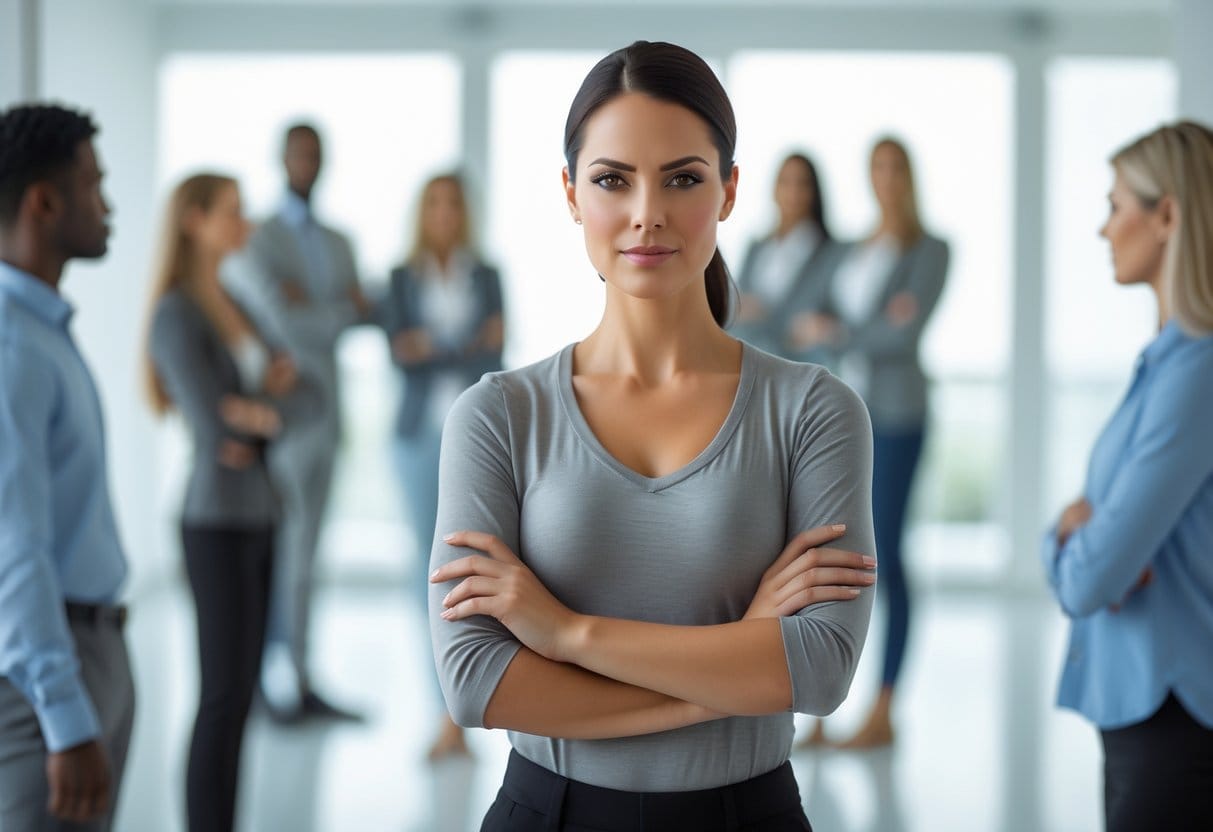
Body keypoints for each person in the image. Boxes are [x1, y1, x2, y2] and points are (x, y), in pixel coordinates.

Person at [428, 41, 877, 832]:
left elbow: (818, 670)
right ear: (570, 194)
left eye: (682, 178)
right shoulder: (497, 415)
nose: (647, 213)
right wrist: (738, 657)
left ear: (728, 190)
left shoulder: (812, 410)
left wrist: (566, 634)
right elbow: (475, 683)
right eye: (612, 179)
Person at [1042, 121, 1213, 831]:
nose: (1103, 228)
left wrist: (1067, 539)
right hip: (1146, 712)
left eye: (1115, 206)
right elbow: (1098, 555)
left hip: (1176, 719)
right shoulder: (1167, 363)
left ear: (1166, 215)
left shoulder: (1196, 372)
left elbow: (1090, 580)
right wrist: (1077, 536)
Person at [145, 173, 306, 832]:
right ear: (194, 220)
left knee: (242, 697)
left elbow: (298, 395)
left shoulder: (236, 301)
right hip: (213, 520)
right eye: (232, 212)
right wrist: (256, 413)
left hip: (262, 511)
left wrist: (257, 414)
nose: (246, 224)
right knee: (220, 697)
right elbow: (216, 427)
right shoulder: (176, 312)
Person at [0, 103, 135, 830]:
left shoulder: (41, 328)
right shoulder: (10, 346)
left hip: (93, 644)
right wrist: (63, 714)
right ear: (45, 204)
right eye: (94, 185)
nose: (107, 205)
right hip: (43, 678)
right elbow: (12, 546)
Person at [790, 136, 949, 749]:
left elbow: (902, 337)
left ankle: (884, 707)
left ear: (908, 176)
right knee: (832, 555)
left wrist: (838, 331)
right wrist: (860, 327)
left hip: (899, 415)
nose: (885, 178)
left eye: (894, 167)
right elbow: (807, 316)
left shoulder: (930, 250)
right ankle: (822, 710)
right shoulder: (851, 251)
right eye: (876, 167)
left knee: (886, 555)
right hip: (843, 416)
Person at [224, 122, 367, 723]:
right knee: (275, 555)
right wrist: (333, 311)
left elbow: (362, 312)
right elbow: (282, 321)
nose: (307, 163)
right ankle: (261, 684)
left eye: (315, 154)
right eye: (299, 153)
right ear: (281, 159)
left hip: (327, 414)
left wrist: (314, 308)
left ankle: (302, 681)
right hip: (281, 417)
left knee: (308, 556)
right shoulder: (258, 237)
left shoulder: (338, 241)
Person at [380, 173, 504, 760]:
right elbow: (400, 355)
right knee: (424, 571)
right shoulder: (400, 278)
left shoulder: (488, 275)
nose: (444, 213)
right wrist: (461, 344)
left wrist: (432, 345)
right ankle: (441, 711)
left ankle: (466, 706)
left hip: (472, 437)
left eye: (453, 202)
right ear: (421, 212)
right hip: (415, 436)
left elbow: (494, 352)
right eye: (434, 203)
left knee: (467, 566)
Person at [731, 151, 843, 363]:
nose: (793, 192)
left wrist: (763, 312)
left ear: (814, 192)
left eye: (802, 184)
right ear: (774, 189)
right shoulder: (757, 248)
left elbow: (805, 322)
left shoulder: (829, 252)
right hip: (749, 357)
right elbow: (737, 306)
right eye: (785, 182)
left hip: (798, 361)